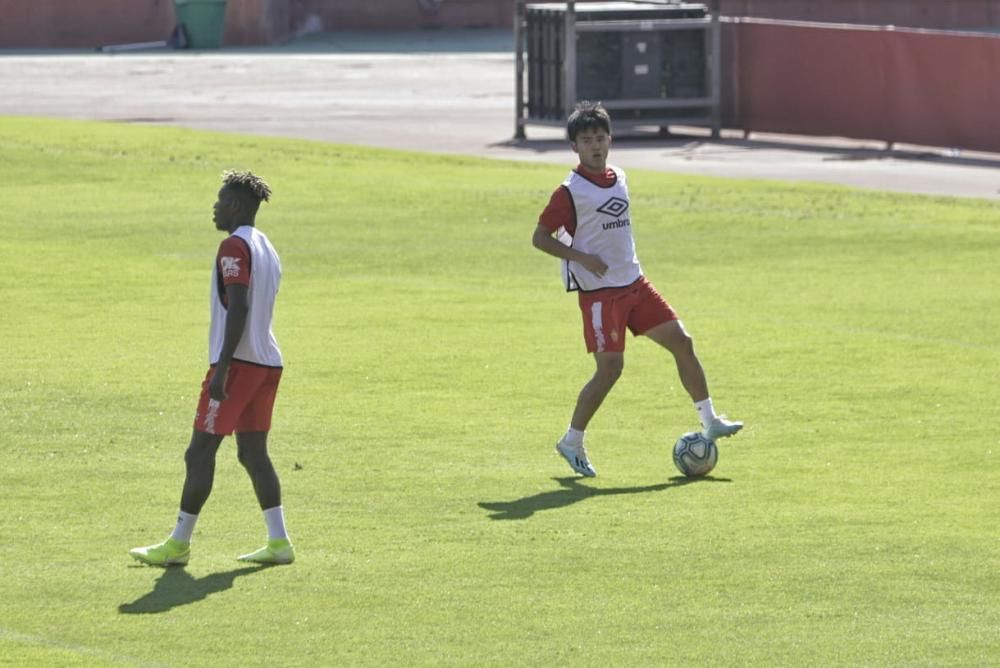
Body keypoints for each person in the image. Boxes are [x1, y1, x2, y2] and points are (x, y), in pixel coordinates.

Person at [531, 101, 743, 477]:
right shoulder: (569, 192)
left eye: (599, 138)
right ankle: (572, 440)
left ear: (610, 139)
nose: (595, 146)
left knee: (683, 342)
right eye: (586, 140)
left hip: (636, 284)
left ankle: (709, 420)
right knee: (610, 370)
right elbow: (540, 238)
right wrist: (580, 257)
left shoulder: (620, 177)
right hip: (601, 295)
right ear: (574, 147)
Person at [130, 170, 294, 565]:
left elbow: (238, 307)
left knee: (199, 451)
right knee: (253, 453)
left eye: (220, 201)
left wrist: (221, 370)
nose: (215, 208)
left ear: (236, 205)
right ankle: (279, 542)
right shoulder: (266, 246)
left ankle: (179, 544)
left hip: (238, 364)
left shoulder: (233, 247)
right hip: (268, 362)